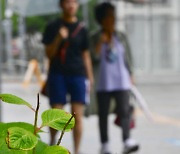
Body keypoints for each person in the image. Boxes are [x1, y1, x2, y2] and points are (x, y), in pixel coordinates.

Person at [42, 0, 94, 154]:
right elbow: (48, 54)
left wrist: (90, 77)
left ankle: (77, 150)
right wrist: (58, 38)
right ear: (61, 5)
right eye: (67, 1)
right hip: (57, 74)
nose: (71, 4)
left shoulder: (83, 29)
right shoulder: (52, 27)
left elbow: (86, 55)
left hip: (78, 75)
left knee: (77, 116)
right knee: (56, 114)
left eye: (74, 1)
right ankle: (52, 145)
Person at [91, 2, 139, 154]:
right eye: (108, 16)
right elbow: (93, 58)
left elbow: (128, 57)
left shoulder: (120, 36)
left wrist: (131, 74)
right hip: (103, 83)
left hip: (122, 81)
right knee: (103, 114)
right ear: (101, 19)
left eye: (113, 15)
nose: (112, 19)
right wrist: (100, 42)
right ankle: (105, 144)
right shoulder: (94, 37)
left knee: (125, 111)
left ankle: (127, 140)